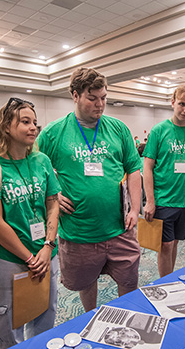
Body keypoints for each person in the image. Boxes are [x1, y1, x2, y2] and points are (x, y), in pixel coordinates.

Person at [37, 67, 142, 312]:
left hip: (119, 228)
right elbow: (36, 172)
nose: (100, 104)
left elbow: (134, 169)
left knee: (129, 281)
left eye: (104, 98)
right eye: (92, 98)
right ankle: (90, 316)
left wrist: (135, 209)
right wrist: (52, 196)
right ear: (75, 95)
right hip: (79, 231)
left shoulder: (118, 129)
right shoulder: (54, 133)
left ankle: (127, 316)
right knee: (86, 282)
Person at [0, 97, 60, 349]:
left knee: (45, 316)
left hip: (47, 253)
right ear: (5, 126)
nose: (34, 127)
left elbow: (53, 204)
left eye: (35, 122)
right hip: (10, 259)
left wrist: (47, 246)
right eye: (25, 122)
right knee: (9, 328)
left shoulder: (42, 160)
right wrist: (30, 257)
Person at [143, 84, 185, 277]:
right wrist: (150, 200)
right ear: (172, 103)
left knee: (176, 242)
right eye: (182, 104)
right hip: (163, 199)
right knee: (166, 244)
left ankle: (169, 277)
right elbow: (147, 167)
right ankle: (165, 282)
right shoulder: (159, 130)